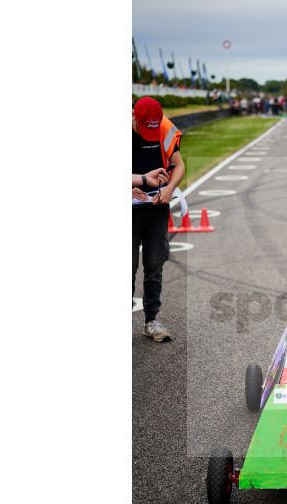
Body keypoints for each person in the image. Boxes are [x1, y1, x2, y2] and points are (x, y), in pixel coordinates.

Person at [132, 97, 185, 342]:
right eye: (144, 128)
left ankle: (151, 320)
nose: (149, 133)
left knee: (154, 264)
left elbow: (179, 165)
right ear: (134, 117)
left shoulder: (164, 128)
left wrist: (169, 188)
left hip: (155, 206)